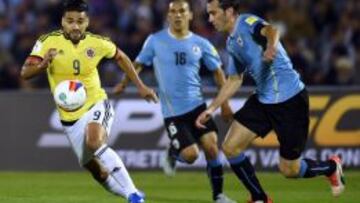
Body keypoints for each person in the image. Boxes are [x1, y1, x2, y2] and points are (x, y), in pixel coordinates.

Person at [195, 0, 345, 202]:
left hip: (290, 101)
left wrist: (271, 47)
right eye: (209, 14)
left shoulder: (248, 22)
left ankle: (331, 167)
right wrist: (212, 108)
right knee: (230, 147)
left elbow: (272, 30)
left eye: (213, 13)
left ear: (229, 11)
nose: (210, 19)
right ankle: (260, 198)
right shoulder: (231, 43)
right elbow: (234, 79)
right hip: (263, 99)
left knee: (290, 170)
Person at [20, 1, 158, 202]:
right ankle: (129, 193)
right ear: (62, 22)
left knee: (94, 141)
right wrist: (42, 65)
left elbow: (121, 57)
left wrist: (140, 86)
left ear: (87, 22)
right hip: (69, 118)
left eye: (80, 21)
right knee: (98, 173)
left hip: (95, 103)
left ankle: (134, 194)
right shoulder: (47, 42)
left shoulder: (98, 42)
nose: (75, 26)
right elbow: (25, 72)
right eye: (70, 21)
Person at [115, 1, 236, 203]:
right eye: (173, 11)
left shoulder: (202, 43)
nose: (178, 15)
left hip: (198, 107)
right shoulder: (155, 41)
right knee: (190, 156)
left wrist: (225, 105)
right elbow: (138, 64)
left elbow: (218, 72)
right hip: (173, 113)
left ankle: (219, 196)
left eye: (182, 11)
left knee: (212, 147)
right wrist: (124, 83)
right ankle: (173, 153)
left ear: (190, 15)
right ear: (168, 16)